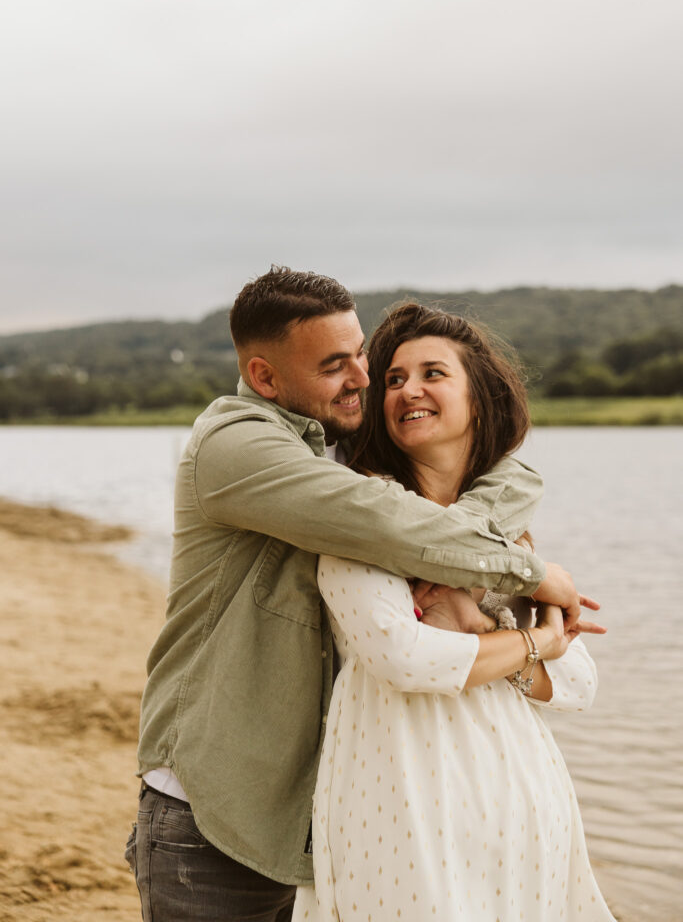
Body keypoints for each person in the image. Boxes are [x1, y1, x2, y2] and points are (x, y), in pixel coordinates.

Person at [126, 268, 581, 922]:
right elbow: (385, 523)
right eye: (335, 365)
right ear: (264, 378)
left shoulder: (343, 445)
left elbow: (509, 470)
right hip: (212, 806)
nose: (364, 380)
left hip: (320, 809)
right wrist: (528, 573)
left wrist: (480, 553)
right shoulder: (237, 446)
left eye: (362, 355)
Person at [292, 303, 614, 922]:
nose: (408, 389)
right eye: (392, 379)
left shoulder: (505, 534)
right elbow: (404, 658)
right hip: (403, 789)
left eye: (432, 373)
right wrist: (535, 643)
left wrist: (478, 626)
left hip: (523, 796)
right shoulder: (362, 516)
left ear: (480, 399)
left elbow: (578, 683)